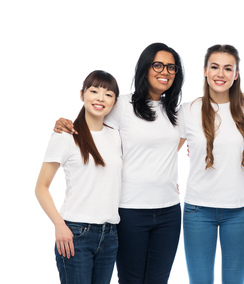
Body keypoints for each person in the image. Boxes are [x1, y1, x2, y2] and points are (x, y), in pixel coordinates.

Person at [55, 43, 185, 283]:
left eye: (171, 67)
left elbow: (170, 147)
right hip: (129, 210)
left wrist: (161, 173)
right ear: (145, 68)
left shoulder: (178, 112)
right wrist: (65, 123)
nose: (164, 71)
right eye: (158, 65)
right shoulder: (123, 105)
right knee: (131, 279)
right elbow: (94, 124)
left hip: (169, 213)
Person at [35, 70, 121, 284]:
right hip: (76, 233)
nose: (100, 98)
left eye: (108, 94)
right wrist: (59, 225)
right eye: (94, 91)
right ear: (82, 94)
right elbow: (41, 187)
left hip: (110, 235)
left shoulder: (116, 135)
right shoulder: (64, 136)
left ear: (114, 102)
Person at [177, 44, 244, 284]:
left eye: (228, 68)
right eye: (215, 67)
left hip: (239, 210)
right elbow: (165, 151)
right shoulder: (187, 111)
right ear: (205, 71)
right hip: (198, 210)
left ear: (236, 74)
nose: (221, 74)